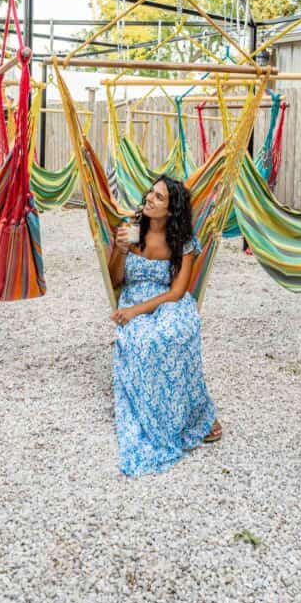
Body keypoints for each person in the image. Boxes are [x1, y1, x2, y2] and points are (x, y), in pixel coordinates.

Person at [108, 174, 221, 477]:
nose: (149, 199)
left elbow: (177, 292)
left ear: (171, 210)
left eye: (159, 197)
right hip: (134, 297)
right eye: (150, 193)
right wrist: (119, 250)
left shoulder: (183, 243)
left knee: (174, 334)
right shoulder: (130, 230)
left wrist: (135, 311)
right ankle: (158, 416)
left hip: (168, 302)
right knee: (144, 341)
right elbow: (116, 280)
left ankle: (193, 414)